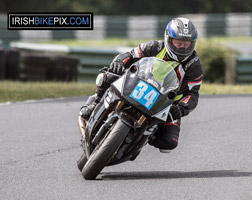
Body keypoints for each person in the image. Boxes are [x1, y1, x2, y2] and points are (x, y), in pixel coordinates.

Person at [79, 17, 203, 153]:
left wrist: (181, 108)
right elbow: (129, 55)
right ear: (168, 39)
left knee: (169, 142)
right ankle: (95, 102)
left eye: (187, 45)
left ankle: (146, 134)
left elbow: (192, 94)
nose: (183, 48)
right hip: (138, 85)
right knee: (109, 76)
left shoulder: (194, 65)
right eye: (179, 43)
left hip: (166, 105)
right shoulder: (154, 47)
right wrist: (119, 63)